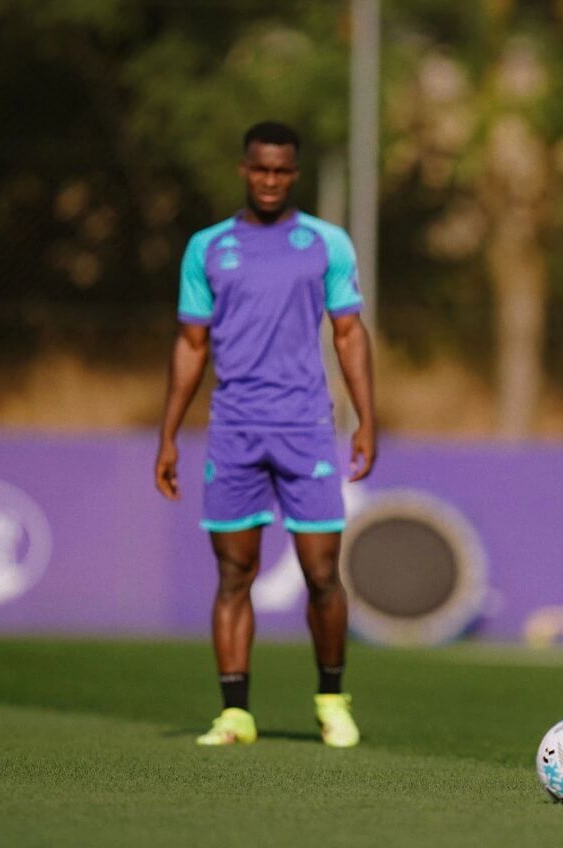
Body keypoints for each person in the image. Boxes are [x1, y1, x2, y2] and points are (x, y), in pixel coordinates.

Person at [154, 121, 376, 747]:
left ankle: (331, 700)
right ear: (244, 170)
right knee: (233, 573)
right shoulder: (207, 248)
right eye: (261, 169)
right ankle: (235, 713)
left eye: (281, 170)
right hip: (234, 430)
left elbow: (349, 333)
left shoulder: (326, 242)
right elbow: (191, 344)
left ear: (294, 174)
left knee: (322, 573)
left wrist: (366, 418)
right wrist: (168, 434)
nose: (270, 180)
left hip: (306, 428)